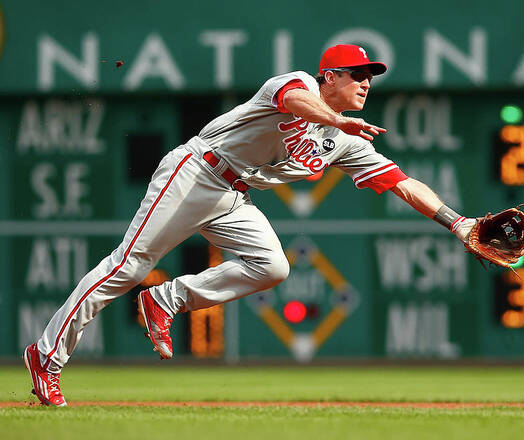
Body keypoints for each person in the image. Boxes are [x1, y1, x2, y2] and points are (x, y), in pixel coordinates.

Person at [24, 44, 476, 406]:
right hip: (196, 170)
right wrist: (339, 119)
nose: (365, 83)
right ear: (330, 77)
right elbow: (296, 102)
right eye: (356, 74)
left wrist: (457, 223)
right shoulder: (298, 84)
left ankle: (168, 298)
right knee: (128, 266)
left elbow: (401, 182)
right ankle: (46, 356)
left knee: (272, 267)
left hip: (231, 194)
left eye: (369, 77)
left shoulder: (344, 141)